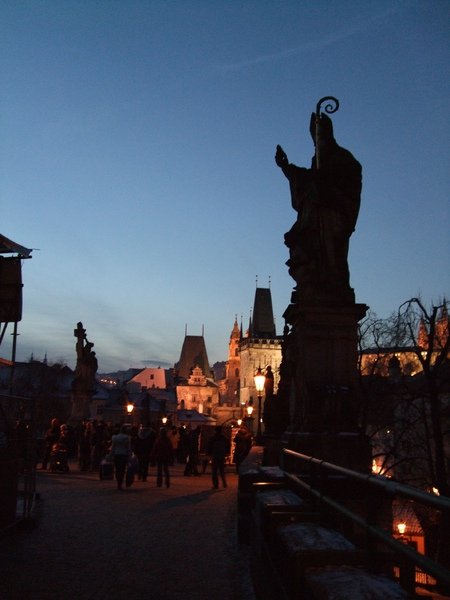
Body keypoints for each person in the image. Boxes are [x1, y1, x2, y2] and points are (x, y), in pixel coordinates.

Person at [275, 112, 361, 304]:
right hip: (314, 217)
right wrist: (286, 167)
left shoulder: (342, 158)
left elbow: (349, 185)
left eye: (318, 136)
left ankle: (333, 288)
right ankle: (311, 284)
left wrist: (325, 187)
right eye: (314, 138)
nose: (316, 142)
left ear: (328, 134)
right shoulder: (318, 160)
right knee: (301, 243)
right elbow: (306, 179)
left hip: (332, 216)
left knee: (332, 257)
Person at [110, 425, 131, 490]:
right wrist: (129, 455)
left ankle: (118, 482)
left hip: (117, 454)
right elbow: (128, 448)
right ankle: (120, 482)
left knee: (117, 469)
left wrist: (111, 454)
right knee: (122, 469)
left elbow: (113, 447)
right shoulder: (127, 438)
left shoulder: (115, 438)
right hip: (123, 454)